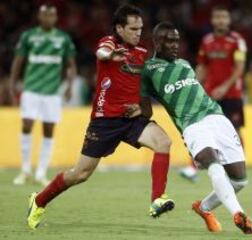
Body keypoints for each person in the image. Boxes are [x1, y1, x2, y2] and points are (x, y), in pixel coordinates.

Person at [26, 5, 174, 230]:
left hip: (131, 119)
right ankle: (38, 201)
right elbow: (101, 52)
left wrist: (142, 110)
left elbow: (144, 91)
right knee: (80, 174)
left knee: (163, 142)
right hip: (104, 121)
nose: (138, 33)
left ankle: (157, 199)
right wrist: (112, 55)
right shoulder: (109, 43)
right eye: (133, 28)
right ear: (120, 28)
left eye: (140, 28)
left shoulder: (142, 54)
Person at [139, 22, 252, 234]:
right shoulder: (147, 71)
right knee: (213, 164)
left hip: (217, 117)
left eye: (177, 41)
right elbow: (146, 111)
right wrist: (134, 106)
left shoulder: (184, 64)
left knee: (240, 180)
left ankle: (203, 208)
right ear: (156, 42)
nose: (175, 45)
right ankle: (238, 214)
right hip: (191, 125)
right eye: (169, 41)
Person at [9, 4, 77, 186]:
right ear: (39, 17)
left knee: (48, 130)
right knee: (27, 125)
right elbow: (18, 60)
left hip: (52, 92)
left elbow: (70, 64)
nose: (48, 18)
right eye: (45, 15)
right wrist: (12, 82)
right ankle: (24, 170)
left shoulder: (63, 39)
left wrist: (70, 86)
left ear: (56, 18)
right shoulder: (29, 36)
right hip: (31, 88)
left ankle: (40, 172)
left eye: (52, 15)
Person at [180, 5, 247, 181]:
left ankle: (239, 166)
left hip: (232, 94)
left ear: (229, 20)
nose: (221, 21)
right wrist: (193, 85)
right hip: (210, 95)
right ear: (212, 20)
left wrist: (225, 87)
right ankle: (192, 168)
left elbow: (239, 68)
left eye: (224, 17)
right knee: (202, 130)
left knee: (235, 132)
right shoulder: (207, 41)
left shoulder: (236, 41)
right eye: (217, 17)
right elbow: (202, 66)